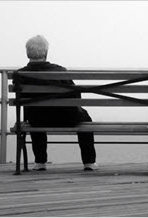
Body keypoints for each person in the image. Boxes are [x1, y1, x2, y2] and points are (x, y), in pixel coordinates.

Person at [17, 35, 98, 171]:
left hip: (37, 121)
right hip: (67, 119)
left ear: (27, 53)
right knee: (85, 118)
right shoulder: (60, 71)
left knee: (34, 111)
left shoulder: (19, 75)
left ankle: (40, 162)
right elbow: (76, 96)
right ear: (46, 53)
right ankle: (89, 162)